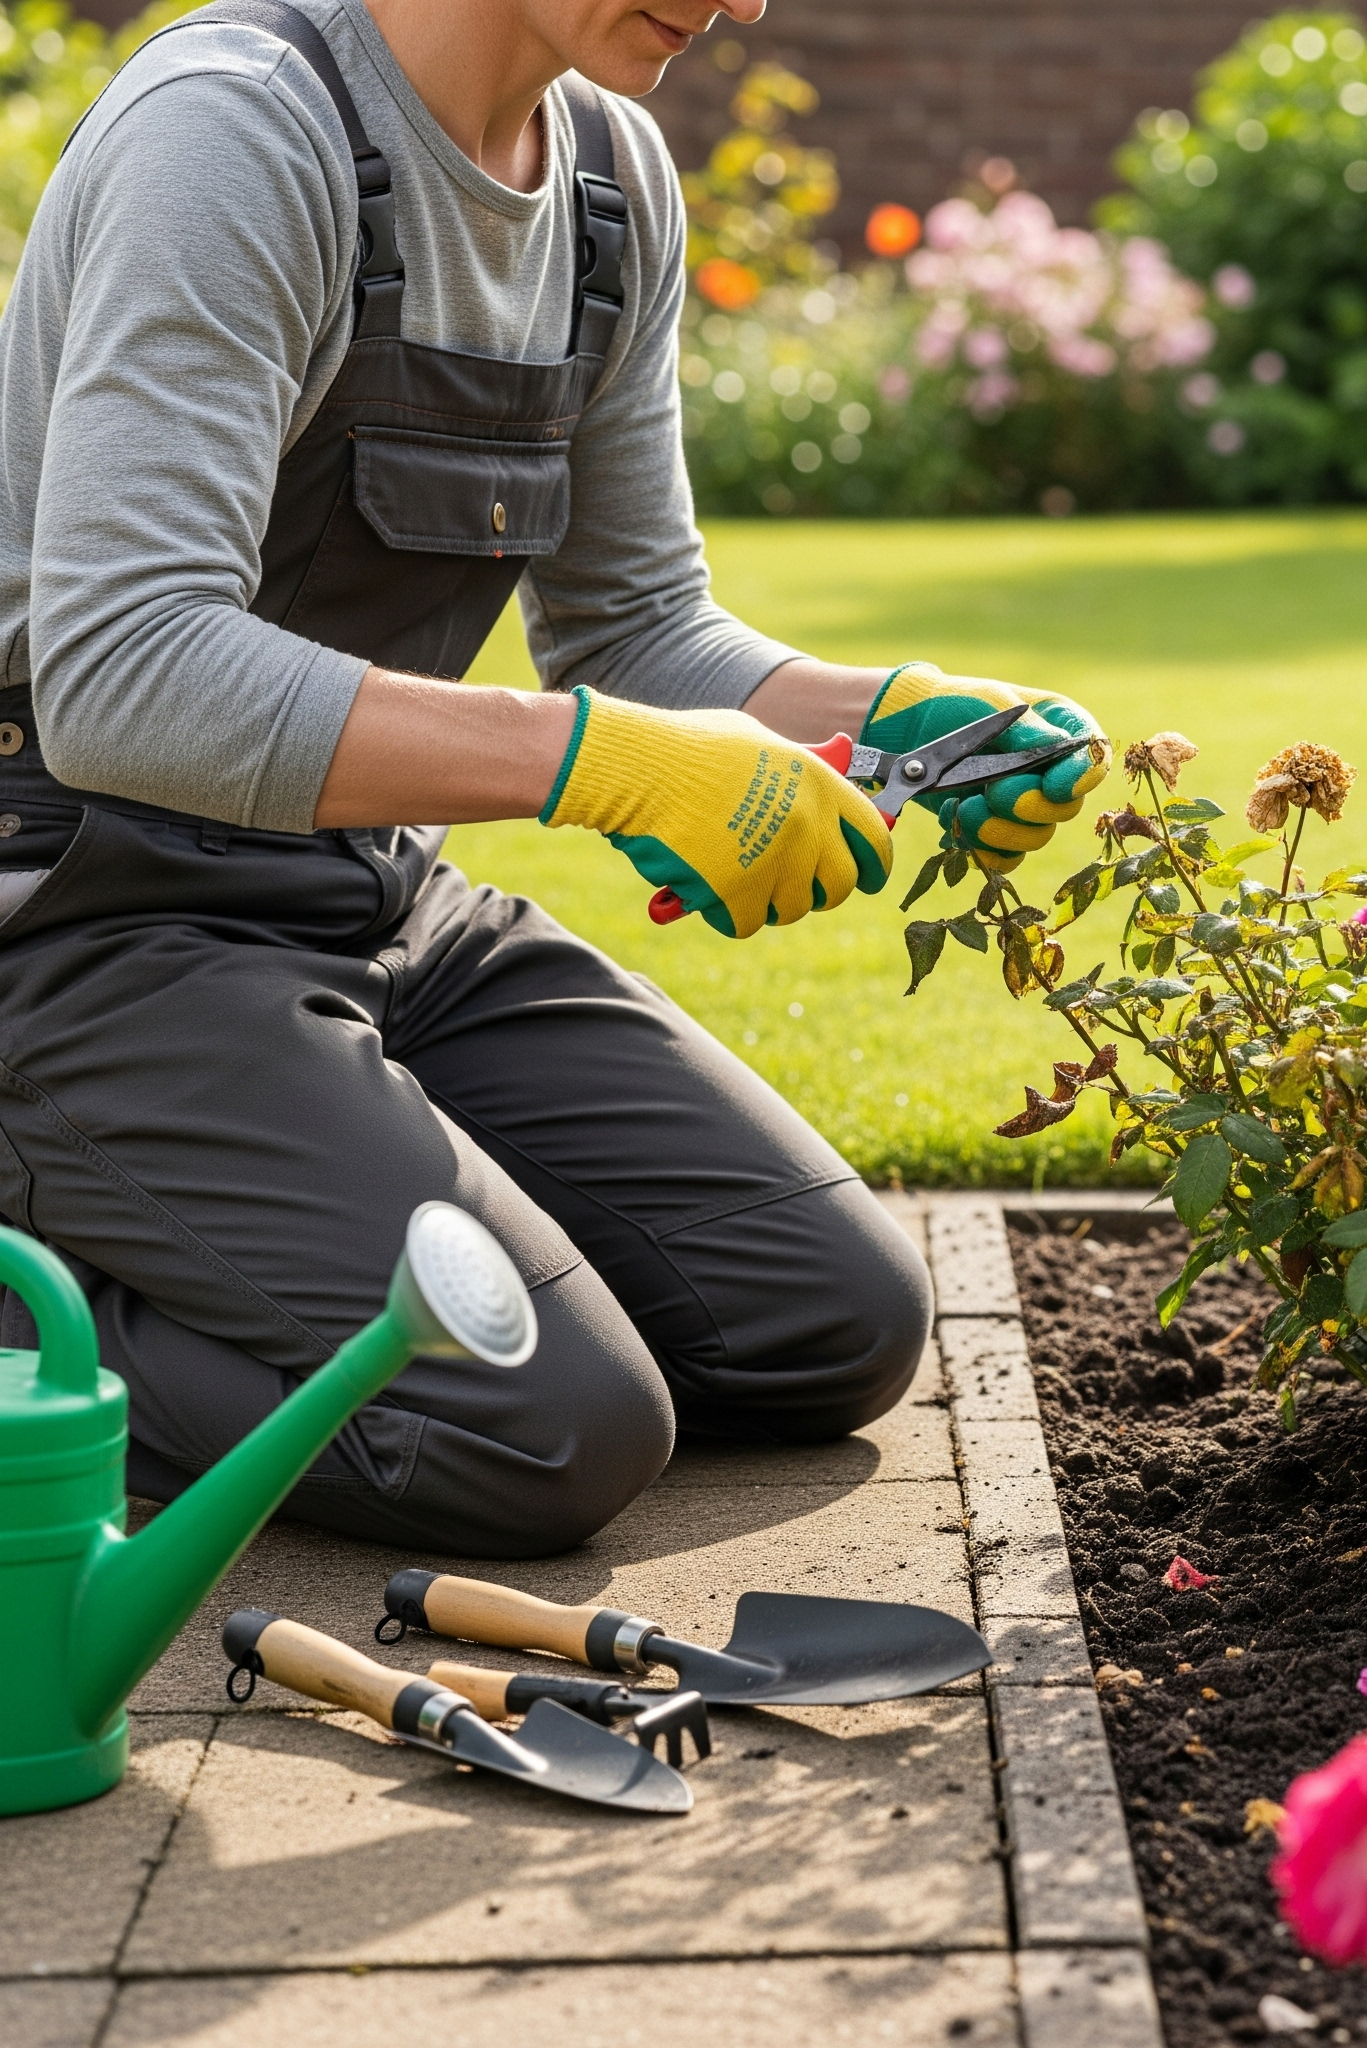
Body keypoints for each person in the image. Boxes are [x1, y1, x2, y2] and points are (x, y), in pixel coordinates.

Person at [0, 0, 1104, 1557]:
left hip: (370, 895)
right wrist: (607, 766)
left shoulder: (609, 180)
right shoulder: (235, 132)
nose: (745, 2)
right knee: (538, 1426)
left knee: (820, 1320)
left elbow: (636, 626)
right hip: (80, 919)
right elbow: (123, 670)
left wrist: (905, 714)